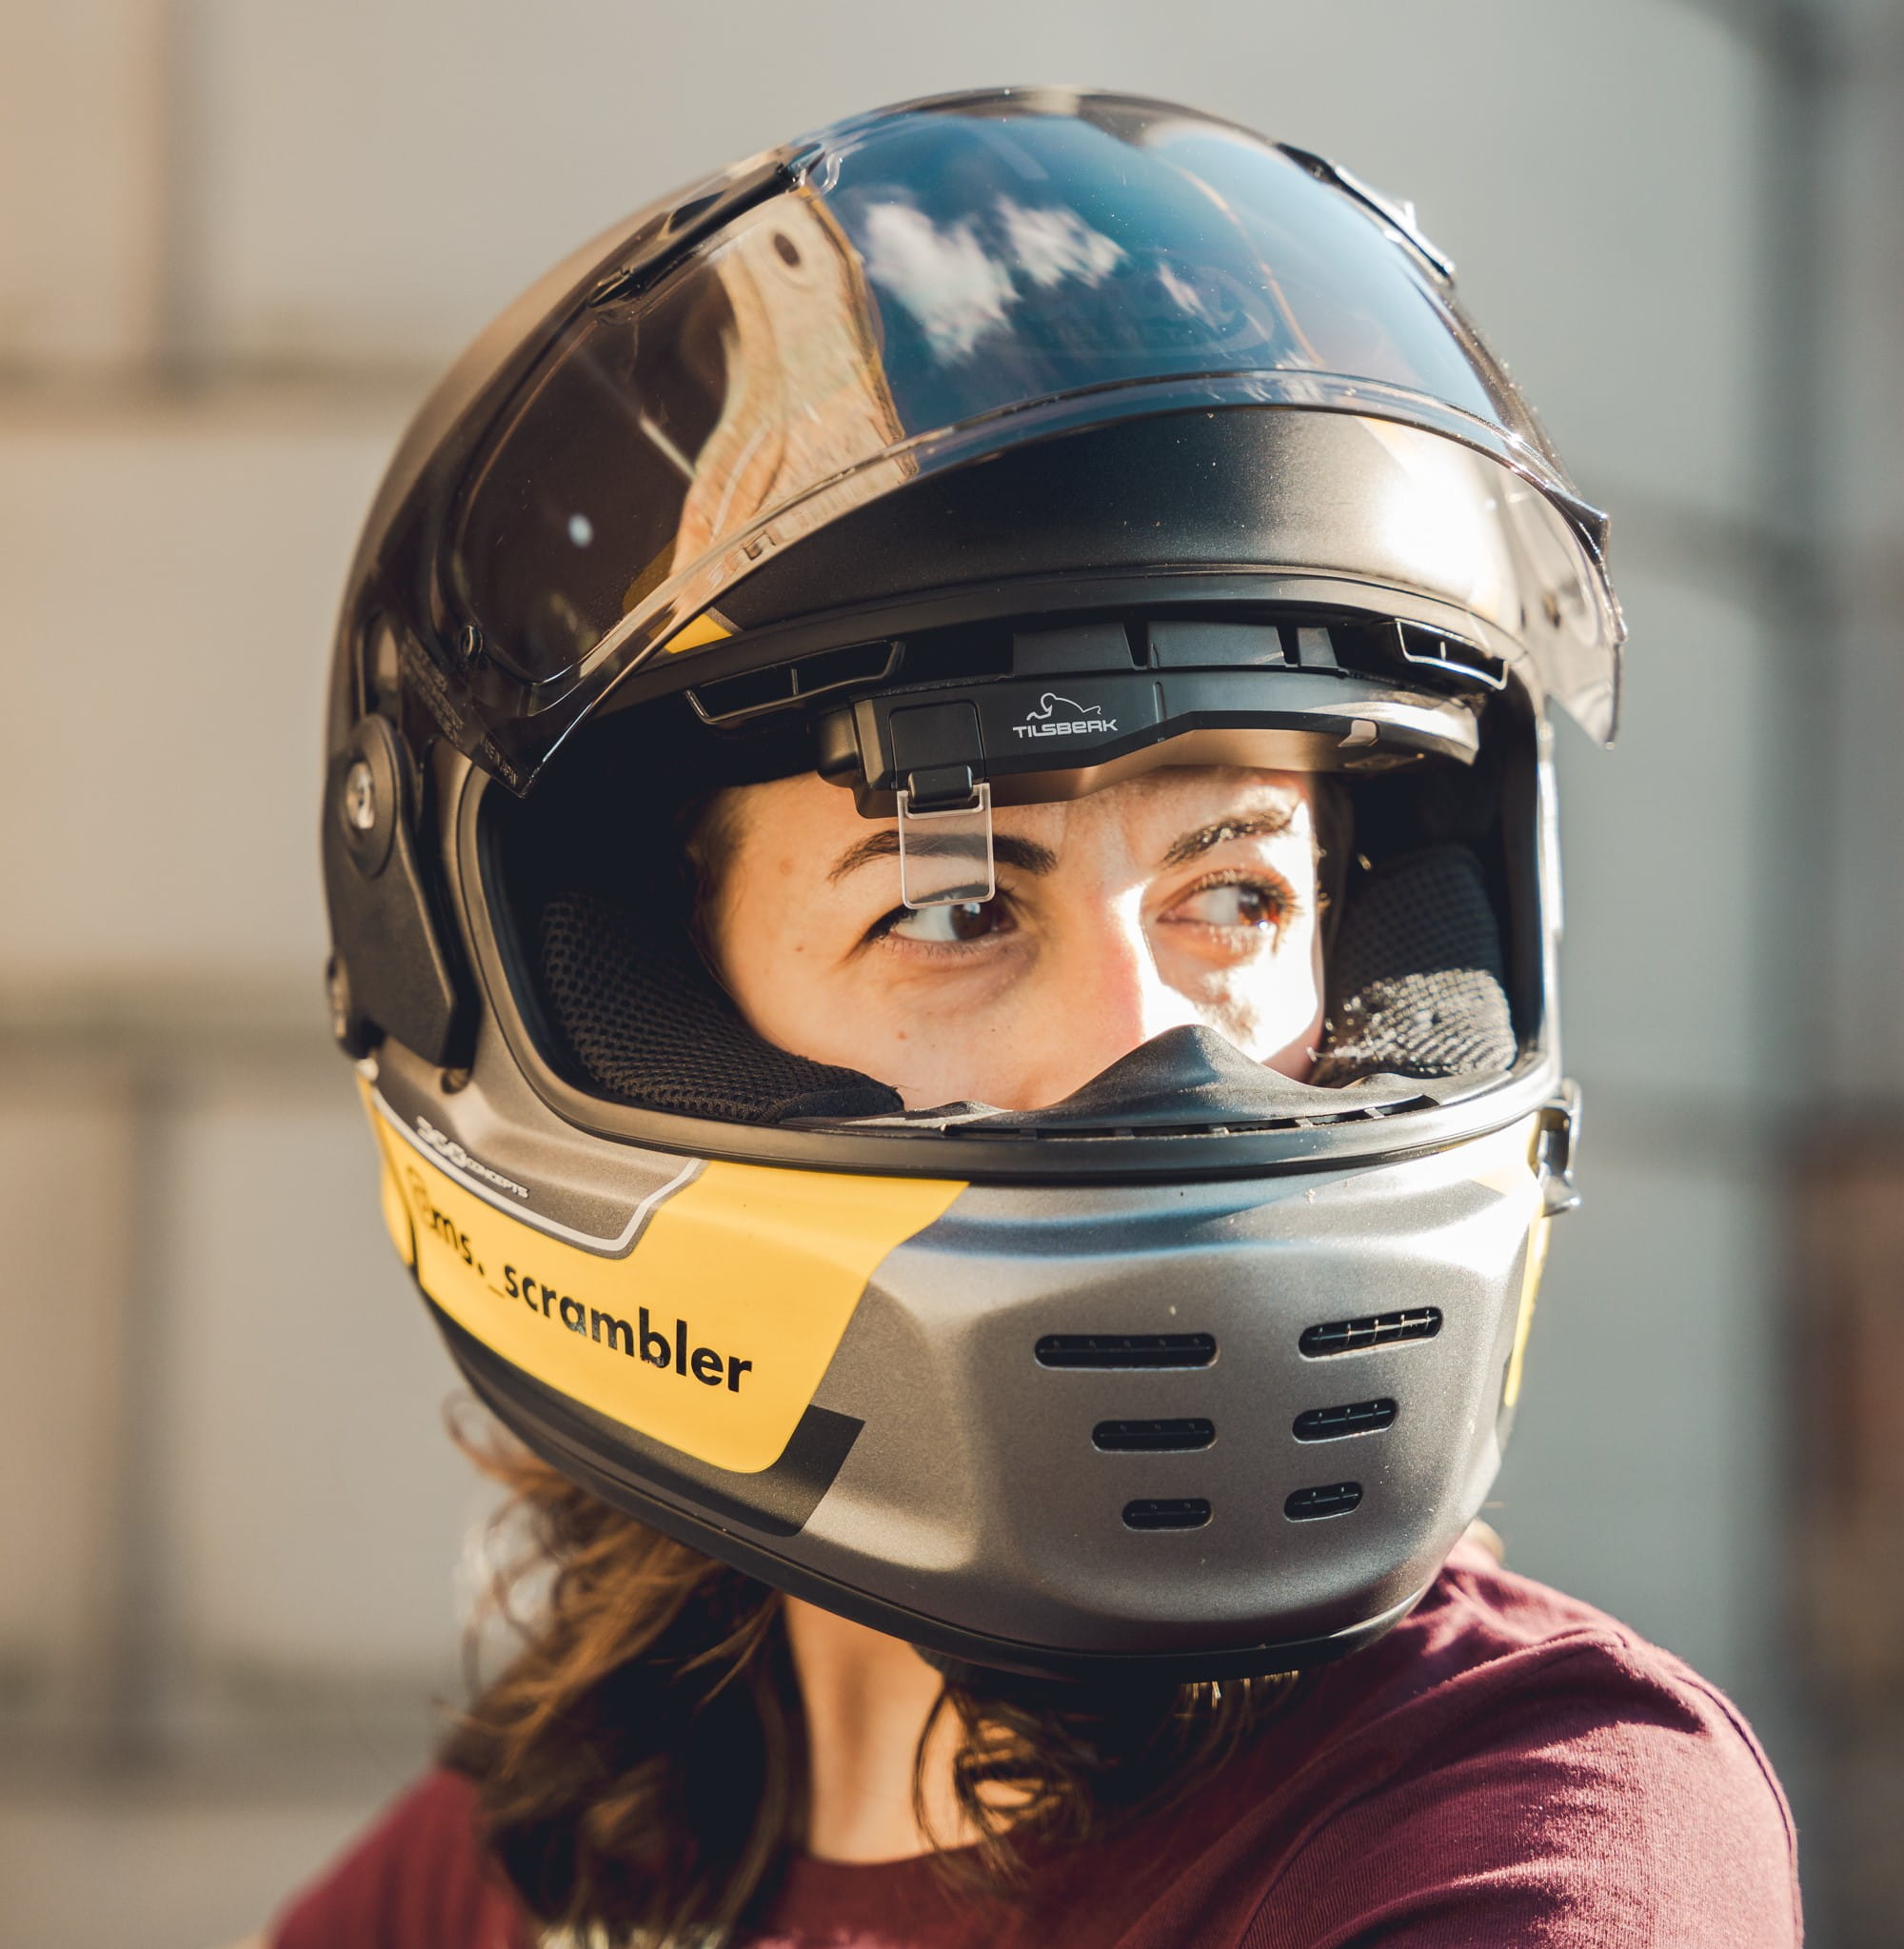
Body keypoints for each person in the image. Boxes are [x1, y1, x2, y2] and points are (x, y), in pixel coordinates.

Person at [282, 89, 1800, 1945]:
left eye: (1237, 889)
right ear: (619, 1001)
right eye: (950, 902)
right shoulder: (546, 1860)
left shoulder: (1522, 1822)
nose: (1149, 1037)